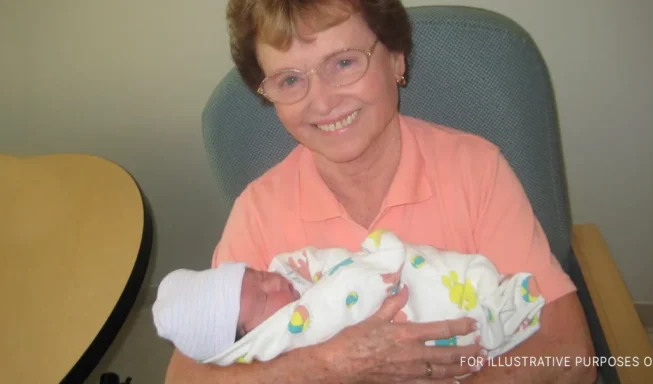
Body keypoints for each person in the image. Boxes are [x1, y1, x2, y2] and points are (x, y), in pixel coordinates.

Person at [165, 0, 596, 382]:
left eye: (344, 63)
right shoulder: (260, 210)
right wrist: (328, 367)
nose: (322, 102)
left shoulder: (474, 169)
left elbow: (571, 353)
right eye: (290, 80)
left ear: (395, 60)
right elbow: (186, 377)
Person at [153, 230, 546, 368]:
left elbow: (573, 359)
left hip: (418, 285)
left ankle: (485, 299)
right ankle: (489, 314)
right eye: (260, 295)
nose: (273, 282)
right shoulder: (283, 338)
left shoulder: (474, 162)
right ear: (248, 334)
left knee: (451, 279)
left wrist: (364, 267)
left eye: (257, 275)